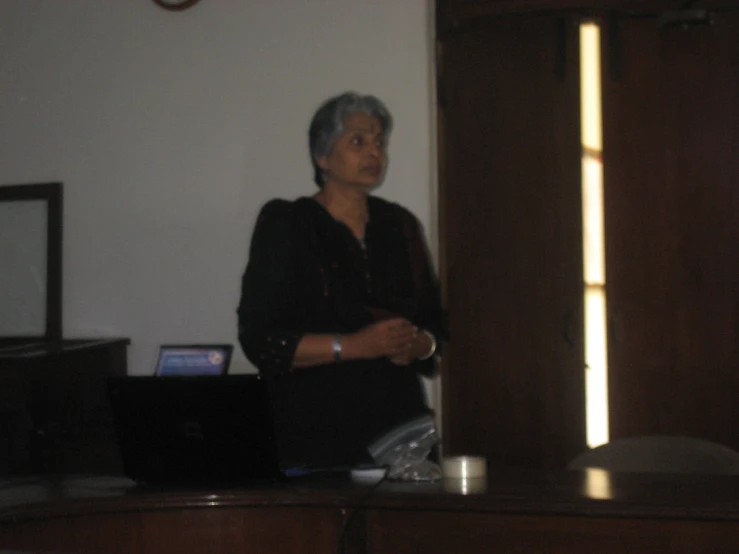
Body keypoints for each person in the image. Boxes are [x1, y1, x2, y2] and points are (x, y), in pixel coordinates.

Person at [237, 92, 445, 470]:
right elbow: (262, 340)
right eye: (358, 141)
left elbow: (435, 322)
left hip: (398, 425)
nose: (374, 153)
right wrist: (351, 346)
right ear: (322, 156)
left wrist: (419, 345)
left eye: (380, 142)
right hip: (312, 427)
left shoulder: (401, 225)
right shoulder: (288, 225)